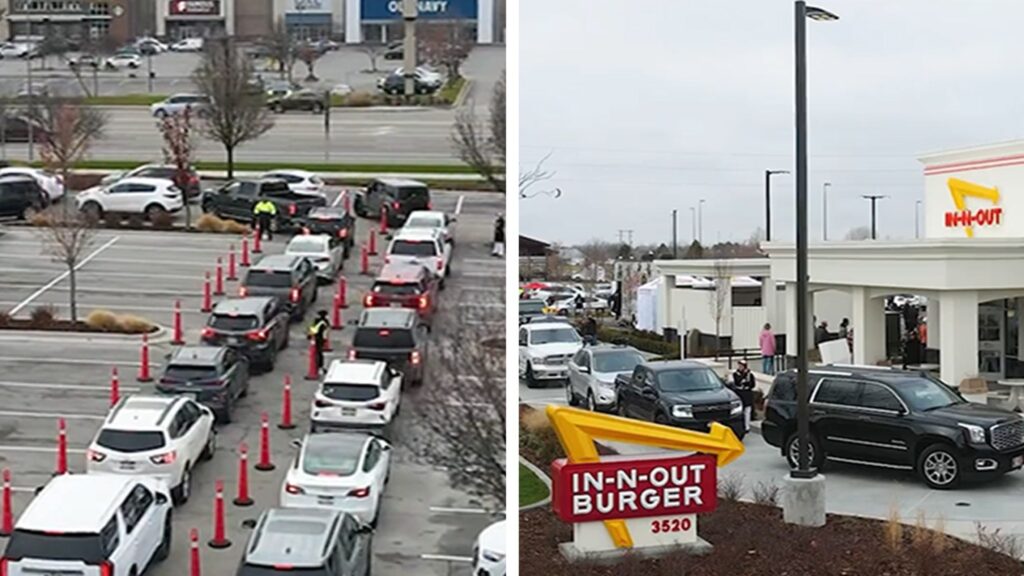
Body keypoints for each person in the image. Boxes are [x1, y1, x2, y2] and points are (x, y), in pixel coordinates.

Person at [731, 360, 756, 433]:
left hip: (747, 394)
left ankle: (747, 427)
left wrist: (746, 381)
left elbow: (752, 384)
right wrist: (744, 377)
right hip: (740, 393)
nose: (740, 367)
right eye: (739, 365)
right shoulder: (736, 374)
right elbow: (737, 382)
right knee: (740, 411)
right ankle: (741, 426)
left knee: (747, 411)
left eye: (741, 366)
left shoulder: (750, 375)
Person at [308, 310, 330, 374]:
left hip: (315, 338)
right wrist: (325, 340)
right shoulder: (325, 322)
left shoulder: (316, 321)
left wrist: (310, 335)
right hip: (320, 339)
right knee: (319, 353)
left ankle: (317, 366)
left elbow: (313, 329)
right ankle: (320, 366)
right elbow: (325, 331)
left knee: (316, 353)